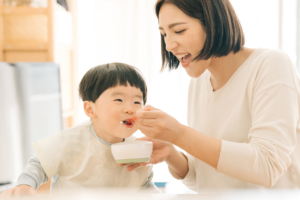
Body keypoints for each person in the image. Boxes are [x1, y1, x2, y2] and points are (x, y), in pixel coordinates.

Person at [122, 0, 300, 192]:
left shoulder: (270, 65)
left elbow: (267, 166)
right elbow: (209, 178)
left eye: (179, 31)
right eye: (164, 34)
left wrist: (179, 134)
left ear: (213, 23)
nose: (169, 45)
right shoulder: (198, 83)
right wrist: (171, 154)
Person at [0, 63, 158, 198]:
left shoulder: (139, 148)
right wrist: (25, 185)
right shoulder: (73, 140)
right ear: (90, 109)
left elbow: (144, 185)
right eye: (118, 100)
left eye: (137, 101)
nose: (130, 109)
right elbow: (40, 164)